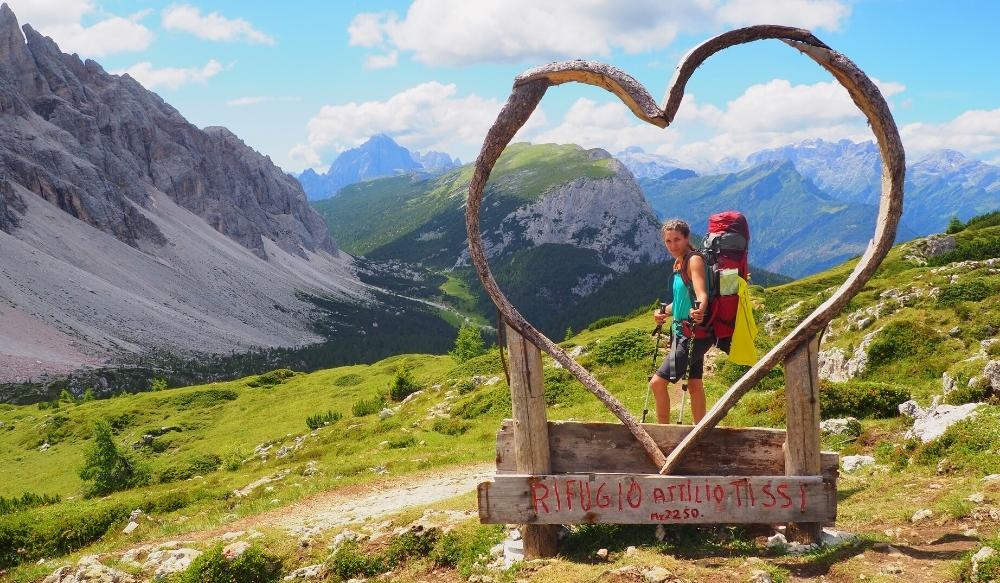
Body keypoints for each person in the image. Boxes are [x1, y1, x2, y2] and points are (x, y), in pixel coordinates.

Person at [649, 219, 732, 424]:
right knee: (695, 384)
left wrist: (700, 309)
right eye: (668, 241)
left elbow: (701, 294)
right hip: (683, 331)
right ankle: (699, 431)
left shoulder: (693, 260)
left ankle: (663, 434)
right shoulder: (679, 262)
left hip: (694, 332)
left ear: (687, 238)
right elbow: (680, 301)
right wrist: (665, 313)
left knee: (657, 383)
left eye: (677, 239)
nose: (672, 245)